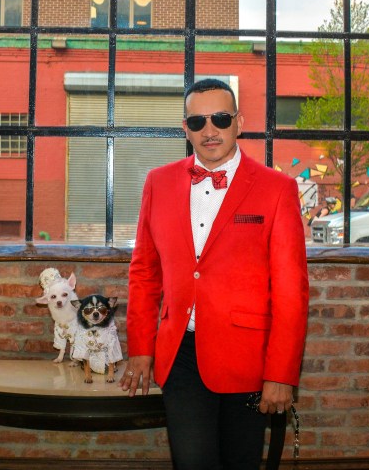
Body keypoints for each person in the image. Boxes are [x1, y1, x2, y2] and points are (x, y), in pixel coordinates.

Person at [120, 78, 309, 470]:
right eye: (197, 121)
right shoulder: (158, 182)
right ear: (184, 127)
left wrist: (281, 373)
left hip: (250, 359)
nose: (210, 130)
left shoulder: (277, 189)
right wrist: (141, 348)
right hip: (181, 356)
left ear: (239, 122)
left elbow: (291, 289)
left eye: (220, 119)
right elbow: (144, 272)